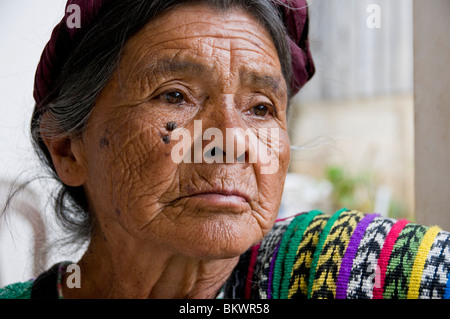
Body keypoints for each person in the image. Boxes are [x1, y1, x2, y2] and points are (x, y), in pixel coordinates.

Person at [1, 0, 449, 299]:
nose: (232, 140)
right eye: (174, 95)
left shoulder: (326, 266)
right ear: (67, 150)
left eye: (260, 107)